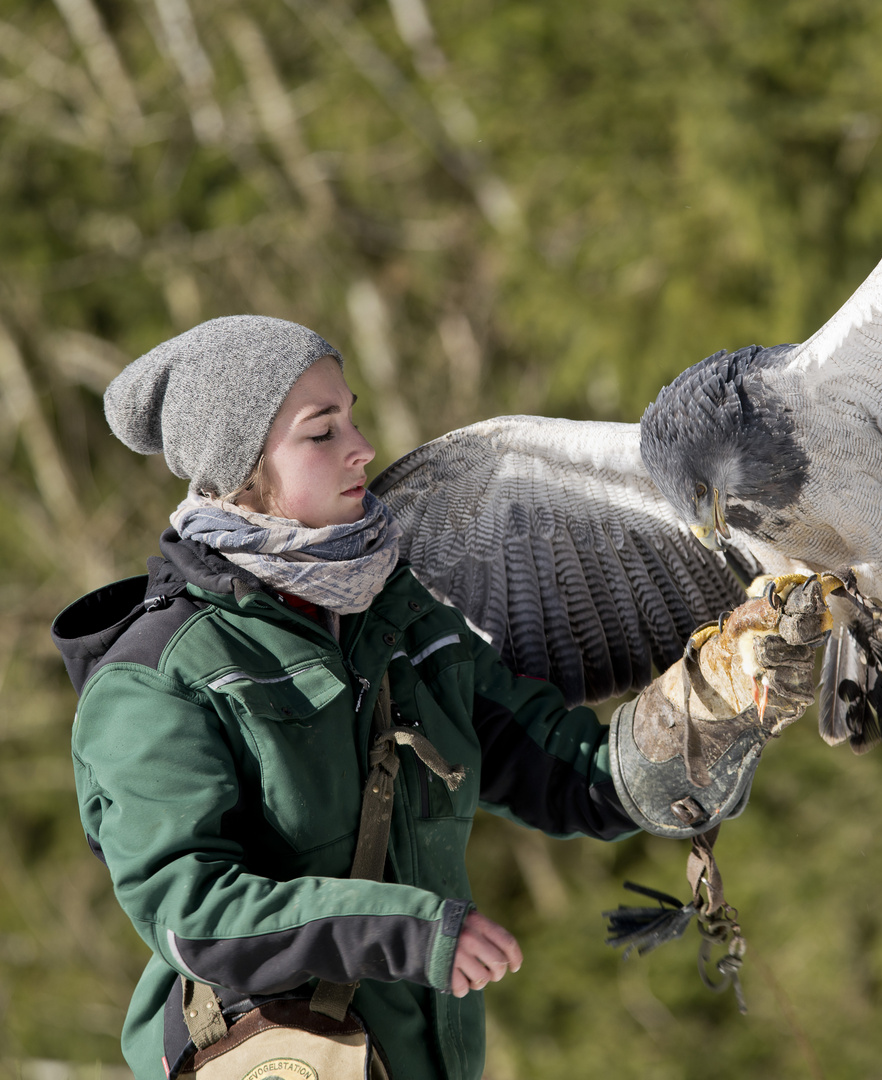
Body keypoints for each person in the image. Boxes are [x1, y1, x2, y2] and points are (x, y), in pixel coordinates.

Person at [51, 316, 825, 1078]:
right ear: (243, 470)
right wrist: (412, 932)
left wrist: (712, 706)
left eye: (352, 416)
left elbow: (576, 775)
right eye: (322, 433)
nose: (363, 447)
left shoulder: (400, 618)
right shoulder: (157, 677)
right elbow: (191, 913)